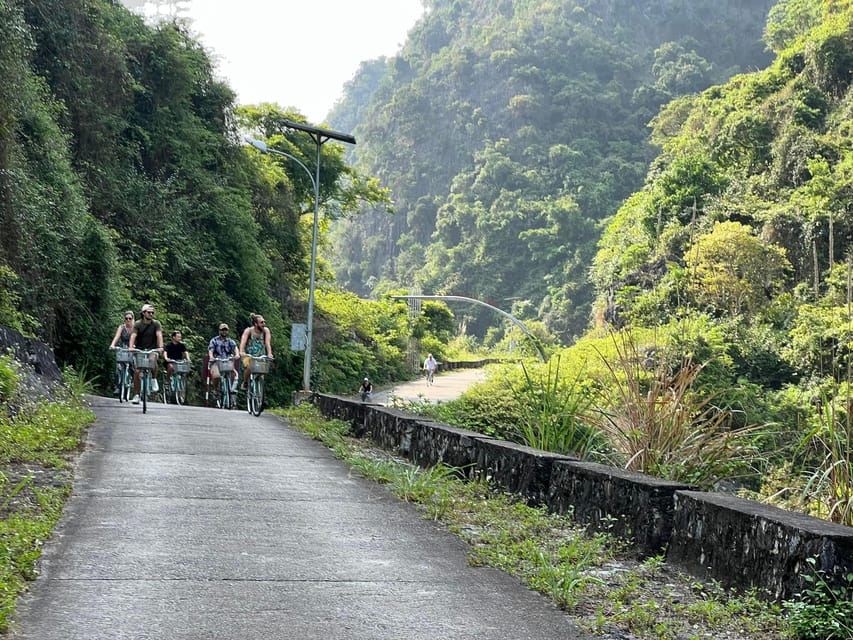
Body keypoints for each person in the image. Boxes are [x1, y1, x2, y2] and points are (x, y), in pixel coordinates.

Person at [128, 303, 164, 404]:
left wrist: (160, 347)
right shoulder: (138, 324)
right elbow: (133, 336)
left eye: (152, 312)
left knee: (153, 361)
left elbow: (159, 335)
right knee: (137, 371)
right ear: (143, 313)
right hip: (140, 349)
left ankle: (153, 379)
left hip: (152, 349)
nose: (151, 314)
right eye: (149, 312)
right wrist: (131, 347)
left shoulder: (156, 324)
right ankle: (136, 395)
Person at [239, 313, 273, 390]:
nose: (264, 324)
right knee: (249, 367)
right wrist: (241, 352)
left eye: (264, 322)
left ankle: (259, 394)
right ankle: (245, 382)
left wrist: (269, 353)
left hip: (260, 356)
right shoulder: (248, 331)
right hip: (248, 356)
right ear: (255, 324)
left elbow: (267, 343)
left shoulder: (266, 331)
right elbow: (243, 342)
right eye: (261, 322)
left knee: (262, 371)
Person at [208, 323, 239, 396]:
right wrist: (211, 357)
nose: (224, 332)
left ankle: (230, 388)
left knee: (234, 374)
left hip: (227, 361)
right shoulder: (214, 340)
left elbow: (235, 348)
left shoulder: (230, 341)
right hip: (216, 361)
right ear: (219, 331)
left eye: (225, 330)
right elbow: (210, 350)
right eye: (222, 330)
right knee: (216, 376)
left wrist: (237, 354)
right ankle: (216, 390)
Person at [108, 310, 135, 394]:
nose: (128, 320)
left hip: (133, 348)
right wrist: (112, 345)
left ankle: (134, 381)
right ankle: (118, 386)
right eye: (126, 318)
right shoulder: (122, 327)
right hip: (123, 347)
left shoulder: (135, 328)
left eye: (130, 318)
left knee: (133, 365)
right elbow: (117, 337)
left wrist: (135, 346)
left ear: (132, 319)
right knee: (118, 366)